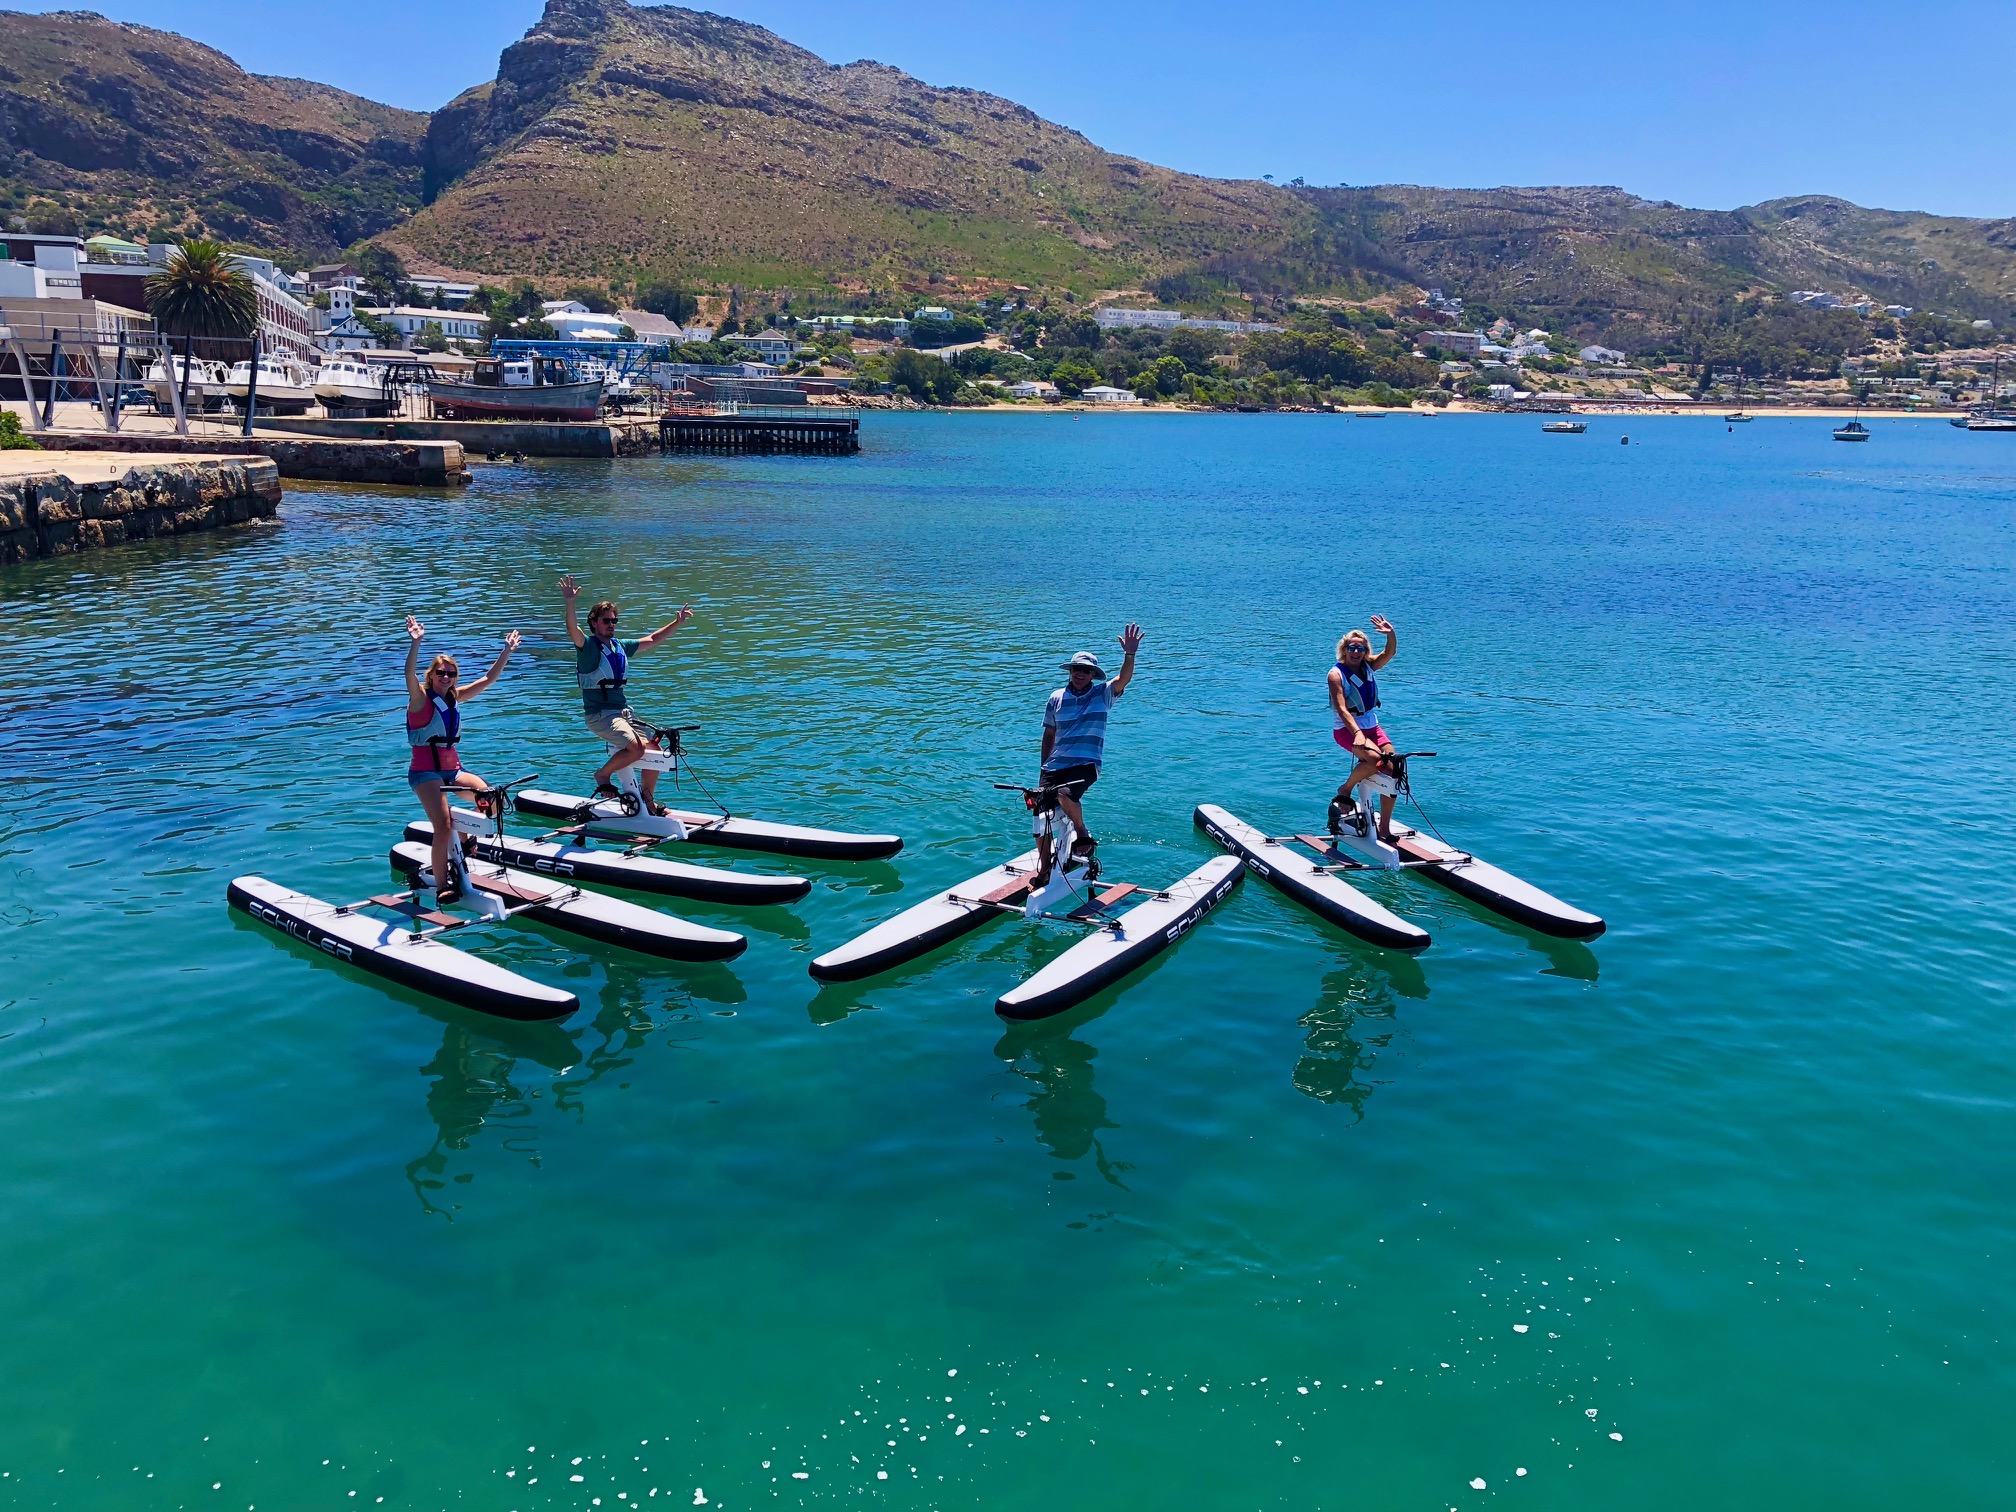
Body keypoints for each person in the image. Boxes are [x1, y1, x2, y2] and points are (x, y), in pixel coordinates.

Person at [404, 615, 519, 906]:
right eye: (441, 673)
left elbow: (488, 680)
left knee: (491, 798)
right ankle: (443, 885)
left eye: (451, 673)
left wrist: (506, 651)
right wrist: (416, 643)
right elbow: (408, 675)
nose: (446, 677)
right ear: (431, 676)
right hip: (425, 773)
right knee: (443, 826)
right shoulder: (420, 700)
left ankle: (466, 835)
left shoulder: (454, 698)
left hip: (453, 771)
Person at [559, 574, 692, 812]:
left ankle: (647, 802)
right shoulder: (588, 648)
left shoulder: (620, 646)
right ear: (594, 623)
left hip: (623, 714)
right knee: (636, 748)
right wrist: (570, 602)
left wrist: (677, 623)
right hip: (600, 716)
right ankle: (602, 775)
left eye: (614, 620)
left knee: (655, 751)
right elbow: (572, 629)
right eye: (606, 620)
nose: (611, 624)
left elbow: (653, 639)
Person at [1030, 623, 1143, 890]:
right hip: (1054, 766)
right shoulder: (1056, 698)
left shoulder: (1102, 694)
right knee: (1039, 814)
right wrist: (1043, 767)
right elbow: (1049, 734)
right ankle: (1044, 868)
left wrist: (1129, 654)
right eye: (1076, 669)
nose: (1080, 674)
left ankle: (1081, 830)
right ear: (1070, 671)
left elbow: (1123, 678)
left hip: (1086, 764)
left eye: (1086, 670)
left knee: (1065, 794)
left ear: (1093, 674)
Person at [1327, 615, 1399, 843]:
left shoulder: (1368, 667)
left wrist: (1390, 634)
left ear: (1365, 651)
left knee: (1394, 768)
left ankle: (1384, 828)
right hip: (1347, 729)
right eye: (1352, 648)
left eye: (1361, 648)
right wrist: (1357, 733)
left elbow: (1389, 653)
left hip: (1371, 726)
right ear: (1344, 650)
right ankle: (1346, 789)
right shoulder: (1336, 674)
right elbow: (1341, 708)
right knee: (1374, 761)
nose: (1356, 652)